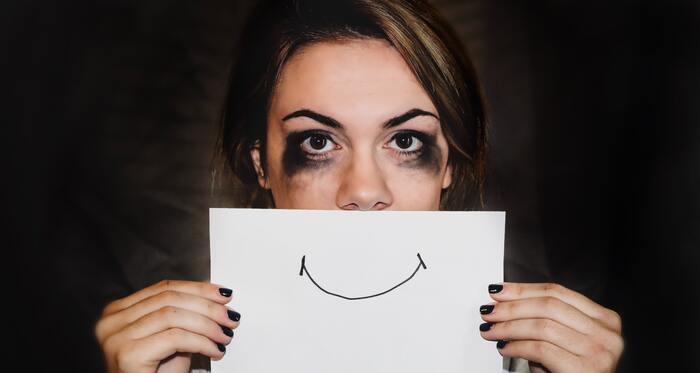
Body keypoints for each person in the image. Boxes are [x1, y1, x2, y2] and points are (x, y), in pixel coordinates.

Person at [94, 0, 624, 372]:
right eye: (318, 143)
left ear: (450, 169)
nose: (364, 190)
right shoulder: (184, 361)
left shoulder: (533, 362)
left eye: (407, 141)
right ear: (262, 166)